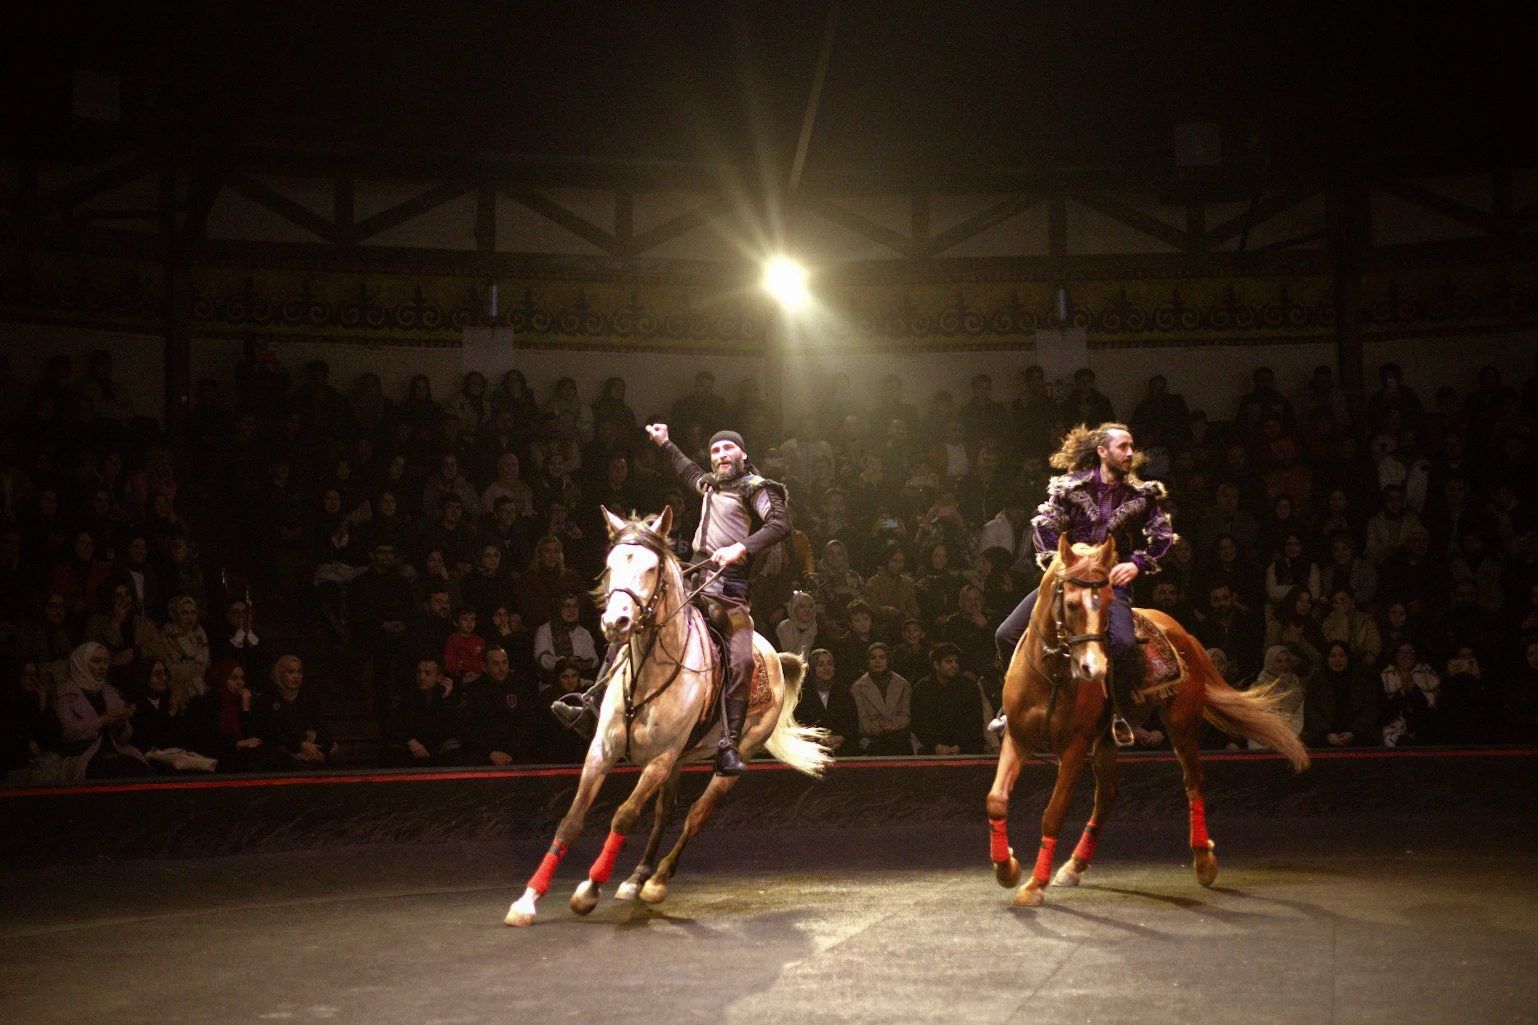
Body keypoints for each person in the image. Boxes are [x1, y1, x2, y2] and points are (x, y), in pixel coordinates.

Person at [553, 423, 792, 777]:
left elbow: (779, 523)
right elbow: (688, 471)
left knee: (740, 660)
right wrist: (665, 443)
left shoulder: (754, 489)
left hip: (730, 592)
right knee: (632, 621)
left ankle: (728, 744)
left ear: (743, 455)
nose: (722, 455)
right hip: (694, 580)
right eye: (716, 451)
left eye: (728, 449)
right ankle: (591, 705)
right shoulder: (711, 484)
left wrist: (741, 547)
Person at [992, 423, 1175, 745]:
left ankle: (1116, 713)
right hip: (1067, 583)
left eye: (1132, 446)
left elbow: (1162, 535)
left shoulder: (1140, 495)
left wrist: (1137, 563)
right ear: (1102, 452)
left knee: (1121, 643)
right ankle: (1013, 706)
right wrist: (1062, 567)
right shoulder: (1070, 488)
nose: (1130, 453)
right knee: (1006, 634)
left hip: (1108, 587)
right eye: (1123, 447)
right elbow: (1044, 527)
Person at [54, 642, 151, 780]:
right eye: (96, 661)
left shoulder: (110, 692)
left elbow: (124, 737)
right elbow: (68, 733)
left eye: (106, 662)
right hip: (84, 755)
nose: (103, 667)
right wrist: (101, 721)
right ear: (81, 664)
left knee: (141, 771)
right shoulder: (66, 695)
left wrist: (122, 722)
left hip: (116, 751)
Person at [911, 642, 985, 755]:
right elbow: (919, 723)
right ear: (936, 664)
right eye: (948, 661)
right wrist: (936, 745)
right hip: (932, 749)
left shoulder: (968, 686)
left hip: (967, 748)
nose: (954, 665)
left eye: (956, 661)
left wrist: (960, 745)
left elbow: (975, 720)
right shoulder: (922, 688)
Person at [1304, 640, 1381, 748]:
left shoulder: (1362, 680)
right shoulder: (1317, 682)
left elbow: (1369, 710)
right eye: (1332, 656)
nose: (1337, 660)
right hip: (1325, 738)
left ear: (1348, 657)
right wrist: (1327, 734)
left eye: (1341, 655)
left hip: (1359, 737)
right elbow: (1312, 711)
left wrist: (1353, 732)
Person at [850, 642, 913, 756]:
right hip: (872, 739)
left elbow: (906, 716)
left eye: (882, 657)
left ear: (888, 660)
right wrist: (878, 728)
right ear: (868, 661)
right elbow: (861, 721)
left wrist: (894, 725)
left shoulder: (903, 684)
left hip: (899, 736)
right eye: (873, 657)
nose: (877, 661)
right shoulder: (858, 687)